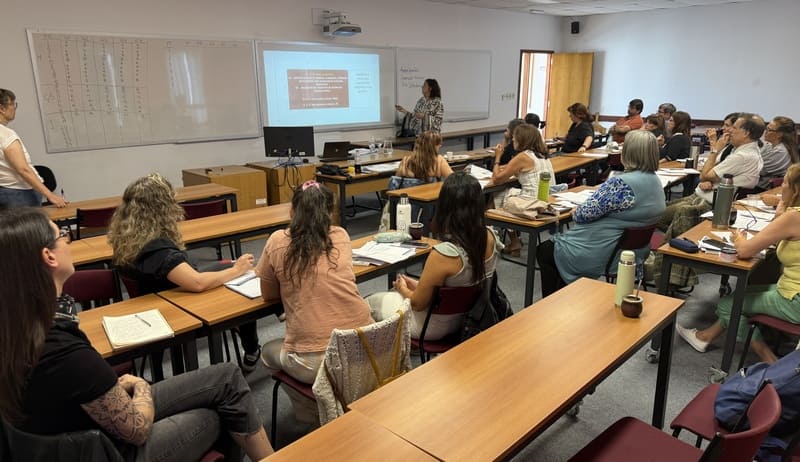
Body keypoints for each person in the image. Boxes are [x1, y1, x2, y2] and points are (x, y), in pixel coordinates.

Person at [0, 207, 273, 461]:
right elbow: (136, 430)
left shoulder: (17, 327)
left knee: (227, 376)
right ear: (49, 257)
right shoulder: (65, 352)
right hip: (109, 451)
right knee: (218, 413)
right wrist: (141, 385)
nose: (68, 239)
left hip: (76, 433)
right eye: (61, 234)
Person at [108, 173, 262, 371]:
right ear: (162, 208)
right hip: (176, 303)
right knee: (244, 282)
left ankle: (263, 327)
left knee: (235, 268)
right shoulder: (157, 248)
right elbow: (196, 283)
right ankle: (252, 349)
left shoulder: (129, 236)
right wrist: (236, 269)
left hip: (157, 294)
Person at [256, 180, 374, 421]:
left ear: (292, 210)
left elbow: (269, 295)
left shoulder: (277, 241)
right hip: (365, 344)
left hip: (315, 360)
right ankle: (343, 398)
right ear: (330, 212)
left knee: (267, 352)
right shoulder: (341, 235)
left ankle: (311, 412)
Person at [676, 163, 800, 364]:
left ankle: (773, 364)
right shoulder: (792, 216)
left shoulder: (794, 217)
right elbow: (783, 230)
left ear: (796, 189)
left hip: (794, 299)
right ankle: (705, 337)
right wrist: (783, 209)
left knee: (727, 305)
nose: (781, 188)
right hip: (793, 291)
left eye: (785, 182)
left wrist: (738, 238)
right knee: (743, 292)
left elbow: (744, 251)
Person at [367, 172, 503, 340]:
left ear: (445, 207)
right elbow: (455, 288)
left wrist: (402, 289)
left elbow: (417, 304)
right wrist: (418, 285)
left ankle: (384, 358)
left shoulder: (444, 255)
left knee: (367, 304)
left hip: (430, 327)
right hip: (469, 319)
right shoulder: (490, 237)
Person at [537, 130, 666, 297]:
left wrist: (578, 209)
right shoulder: (656, 181)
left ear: (627, 152)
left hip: (602, 252)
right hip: (632, 253)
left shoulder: (621, 183)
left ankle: (552, 305)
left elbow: (581, 215)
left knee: (545, 251)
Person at [658, 113, 764, 230]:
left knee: (653, 215)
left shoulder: (742, 156)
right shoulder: (743, 150)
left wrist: (715, 149)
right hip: (704, 195)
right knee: (659, 209)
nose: (729, 131)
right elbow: (711, 173)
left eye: (734, 128)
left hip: (706, 203)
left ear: (746, 133)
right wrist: (710, 179)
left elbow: (705, 175)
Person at [487, 124, 554, 256]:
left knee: (497, 195)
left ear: (522, 139)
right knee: (505, 194)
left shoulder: (523, 156)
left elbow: (496, 179)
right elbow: (523, 172)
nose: (512, 140)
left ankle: (492, 240)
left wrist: (497, 158)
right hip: (544, 199)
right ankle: (514, 242)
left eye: (514, 138)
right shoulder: (542, 155)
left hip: (530, 202)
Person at [0, 89, 66, 208]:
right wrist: (50, 195)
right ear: (2, 108)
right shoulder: (6, 135)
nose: (14, 108)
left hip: (5, 191)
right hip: (19, 194)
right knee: (31, 226)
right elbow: (23, 169)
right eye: (12, 104)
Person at [757, 116, 798, 191]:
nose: (765, 132)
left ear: (779, 134)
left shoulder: (781, 151)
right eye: (766, 128)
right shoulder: (769, 145)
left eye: (769, 130)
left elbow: (757, 169)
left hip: (763, 189)